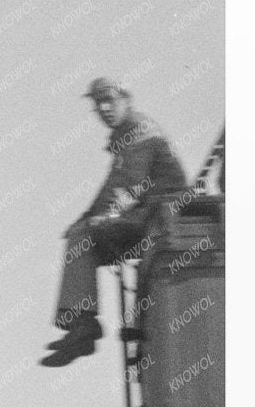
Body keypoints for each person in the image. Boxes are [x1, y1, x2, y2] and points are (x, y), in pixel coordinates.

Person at [41, 78, 188, 367]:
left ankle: (82, 324)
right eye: (98, 104)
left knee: (84, 237)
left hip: (158, 218)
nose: (104, 108)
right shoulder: (127, 135)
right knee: (82, 233)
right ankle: (80, 323)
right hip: (147, 218)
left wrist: (100, 219)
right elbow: (113, 186)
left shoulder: (140, 131)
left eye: (109, 100)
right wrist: (87, 217)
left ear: (127, 99)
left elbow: (129, 185)